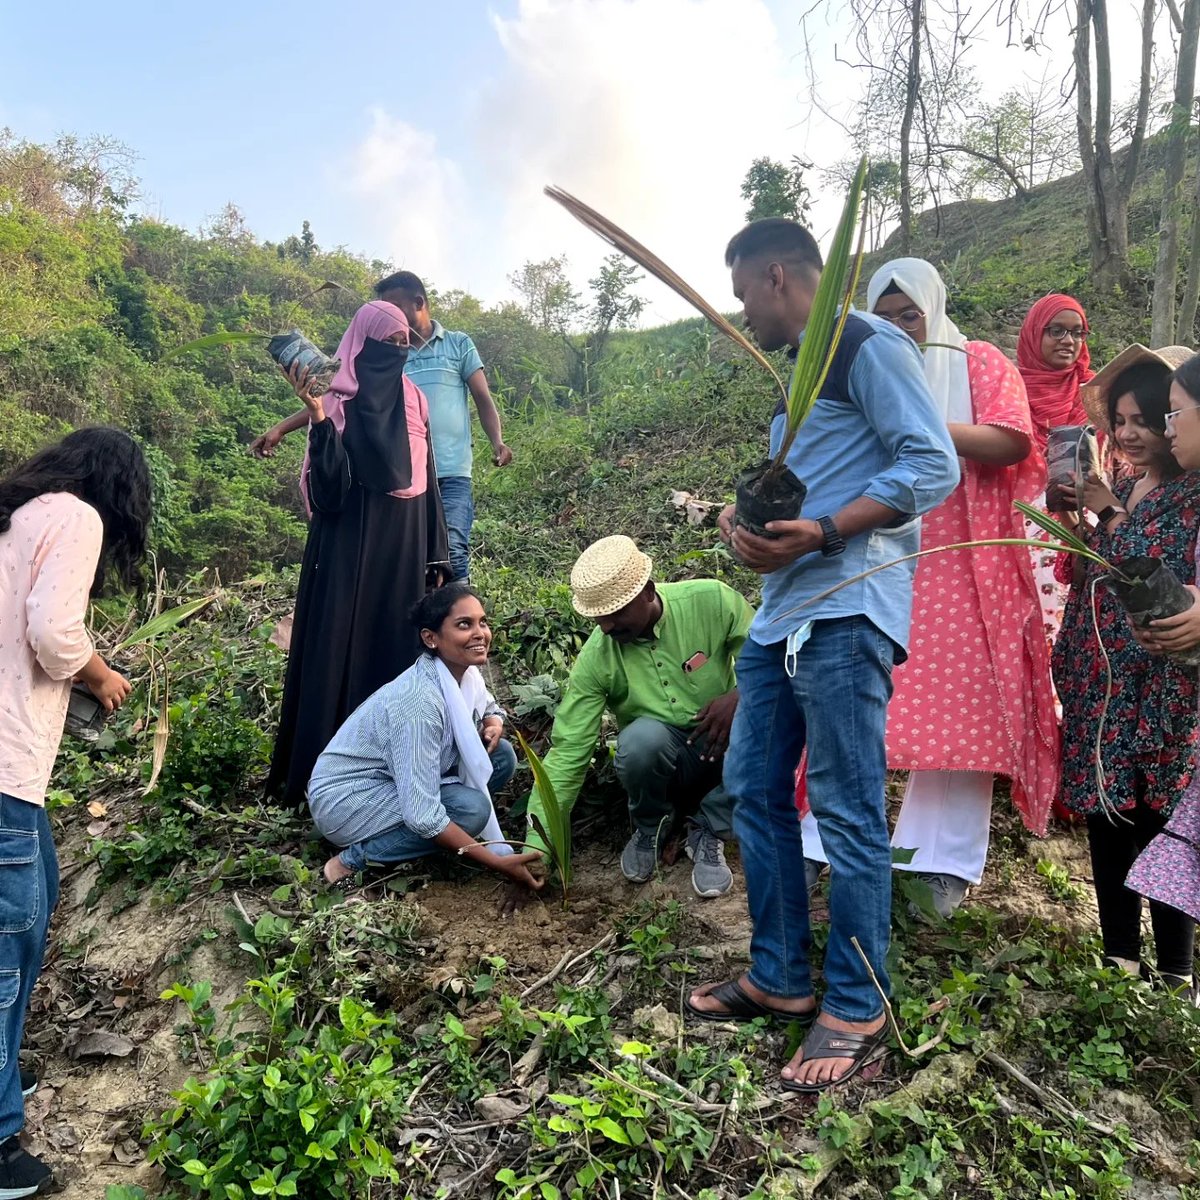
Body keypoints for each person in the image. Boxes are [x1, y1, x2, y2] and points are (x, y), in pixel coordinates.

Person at [685, 219, 959, 1094]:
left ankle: (857, 999)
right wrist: (747, 532)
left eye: (742, 298)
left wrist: (831, 530)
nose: (743, 318)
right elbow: (800, 493)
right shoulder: (794, 387)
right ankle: (780, 975)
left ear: (775, 277)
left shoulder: (866, 346)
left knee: (842, 808)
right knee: (757, 793)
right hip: (779, 621)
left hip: (847, 612)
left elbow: (933, 464)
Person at [800, 259, 1058, 917]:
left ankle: (937, 862)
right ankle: (817, 842)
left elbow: (1010, 440)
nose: (895, 329)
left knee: (959, 704)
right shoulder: (862, 364)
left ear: (933, 311)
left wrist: (917, 425)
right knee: (853, 694)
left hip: (965, 558)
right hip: (878, 550)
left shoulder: (978, 361)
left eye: (908, 315)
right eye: (882, 318)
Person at [0, 427, 151, 1197]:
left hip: (13, 777)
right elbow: (54, 632)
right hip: (4, 766)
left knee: (41, 895)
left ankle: (3, 1065)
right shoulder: (76, 516)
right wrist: (98, 673)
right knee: (6, 940)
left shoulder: (16, 516)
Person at [1053, 344, 1200, 993]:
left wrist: (1110, 513)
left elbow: (1149, 566)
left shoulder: (1190, 494)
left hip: (1161, 687)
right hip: (1103, 684)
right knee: (1107, 814)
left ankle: (1173, 972)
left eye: (1152, 417)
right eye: (1122, 419)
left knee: (1162, 820)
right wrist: (1079, 528)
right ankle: (1119, 960)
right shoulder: (1130, 482)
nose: (1135, 432)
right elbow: (1107, 567)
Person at [265, 301, 450, 809]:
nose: (394, 352)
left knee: (392, 650)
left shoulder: (415, 399)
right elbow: (330, 494)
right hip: (350, 544)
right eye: (384, 342)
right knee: (339, 649)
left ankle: (389, 776)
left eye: (402, 344)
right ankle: (322, 781)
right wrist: (319, 418)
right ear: (361, 343)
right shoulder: (338, 396)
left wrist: (437, 555)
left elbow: (427, 476)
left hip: (406, 545)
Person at [523, 536, 752, 898]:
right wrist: (537, 848)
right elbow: (568, 753)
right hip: (665, 767)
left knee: (772, 718)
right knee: (640, 741)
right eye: (599, 617)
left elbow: (769, 655)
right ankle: (652, 825)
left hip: (727, 747)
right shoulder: (598, 658)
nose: (607, 627)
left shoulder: (711, 600)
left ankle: (710, 825)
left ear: (647, 592)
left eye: (616, 613)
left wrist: (741, 693)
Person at [251, 272, 511, 582]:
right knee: (409, 561)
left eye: (396, 308)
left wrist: (497, 441)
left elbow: (482, 398)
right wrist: (283, 426)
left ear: (419, 303)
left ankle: (461, 625)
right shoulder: (381, 351)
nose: (389, 317)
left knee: (450, 553)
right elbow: (341, 397)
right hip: (396, 473)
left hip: (450, 471)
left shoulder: (457, 345)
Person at [309, 584, 542, 898]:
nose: (480, 633)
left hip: (392, 780)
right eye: (464, 624)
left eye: (482, 622)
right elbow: (423, 815)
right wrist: (496, 863)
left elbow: (486, 704)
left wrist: (493, 720)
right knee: (470, 812)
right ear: (431, 638)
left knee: (499, 756)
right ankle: (348, 862)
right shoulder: (418, 704)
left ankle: (436, 839)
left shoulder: (463, 673)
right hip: (348, 797)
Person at [1016, 294, 1094, 650]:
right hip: (1021, 530)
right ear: (1034, 334)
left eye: (1077, 333)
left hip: (1085, 526)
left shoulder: (1095, 392)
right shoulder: (1009, 391)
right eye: (1056, 331)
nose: (1069, 341)